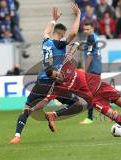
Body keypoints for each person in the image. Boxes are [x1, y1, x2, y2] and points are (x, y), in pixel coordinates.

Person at [9, 4, 86, 145]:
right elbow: (74, 34)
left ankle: (17, 136)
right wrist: (78, 15)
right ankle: (54, 115)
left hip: (41, 82)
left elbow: (46, 31)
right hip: (55, 82)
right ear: (62, 34)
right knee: (77, 104)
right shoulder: (59, 44)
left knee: (26, 109)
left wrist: (53, 19)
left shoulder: (45, 41)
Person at [45, 42, 121, 137]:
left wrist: (76, 45)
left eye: (57, 74)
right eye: (54, 78)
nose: (57, 77)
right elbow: (46, 99)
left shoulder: (65, 65)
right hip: (94, 99)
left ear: (58, 70)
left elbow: (71, 51)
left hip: (101, 86)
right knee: (114, 116)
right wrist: (30, 108)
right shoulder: (57, 86)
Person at [79, 21, 102, 125]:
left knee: (89, 94)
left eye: (88, 29)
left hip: (92, 70)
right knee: (97, 93)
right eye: (84, 29)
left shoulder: (91, 38)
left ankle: (90, 118)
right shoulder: (95, 37)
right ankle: (113, 113)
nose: (86, 31)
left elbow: (90, 55)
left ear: (93, 28)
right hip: (96, 68)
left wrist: (85, 70)